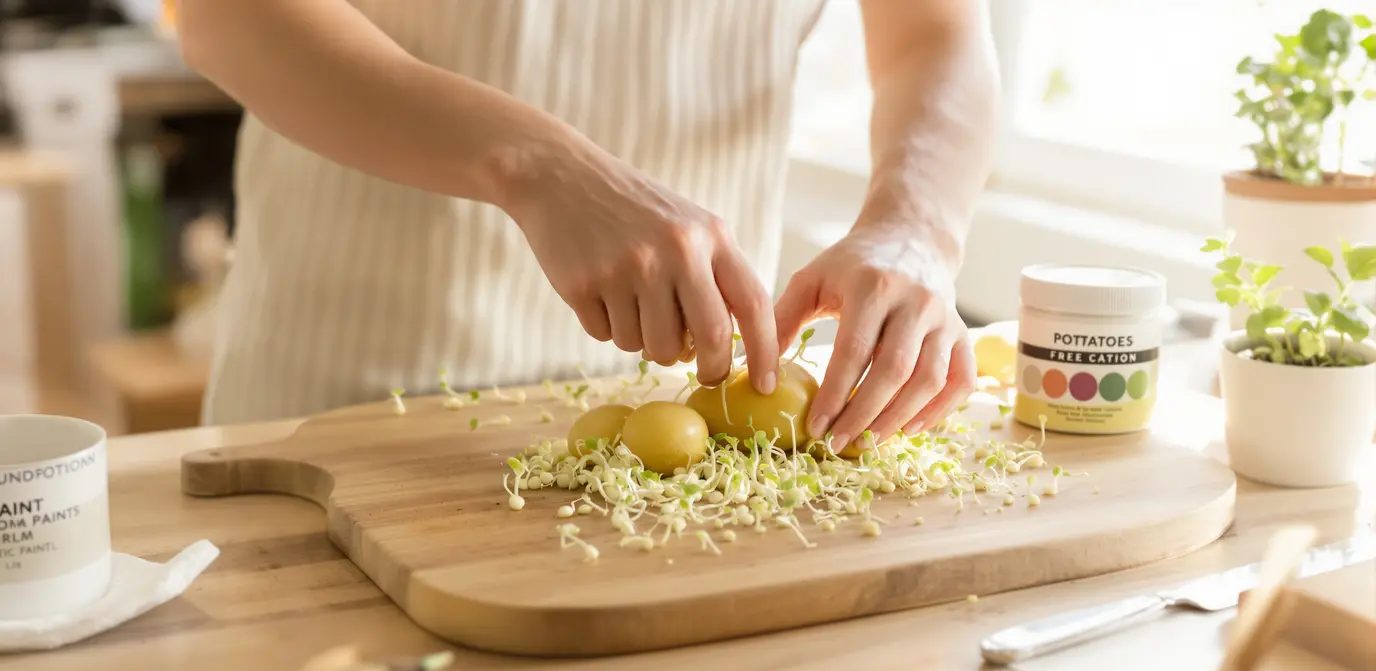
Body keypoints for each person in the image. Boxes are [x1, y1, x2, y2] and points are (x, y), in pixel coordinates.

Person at [176, 0, 997, 453]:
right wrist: (537, 163)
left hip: (693, 413)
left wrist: (916, 227)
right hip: (341, 403)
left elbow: (938, 33)